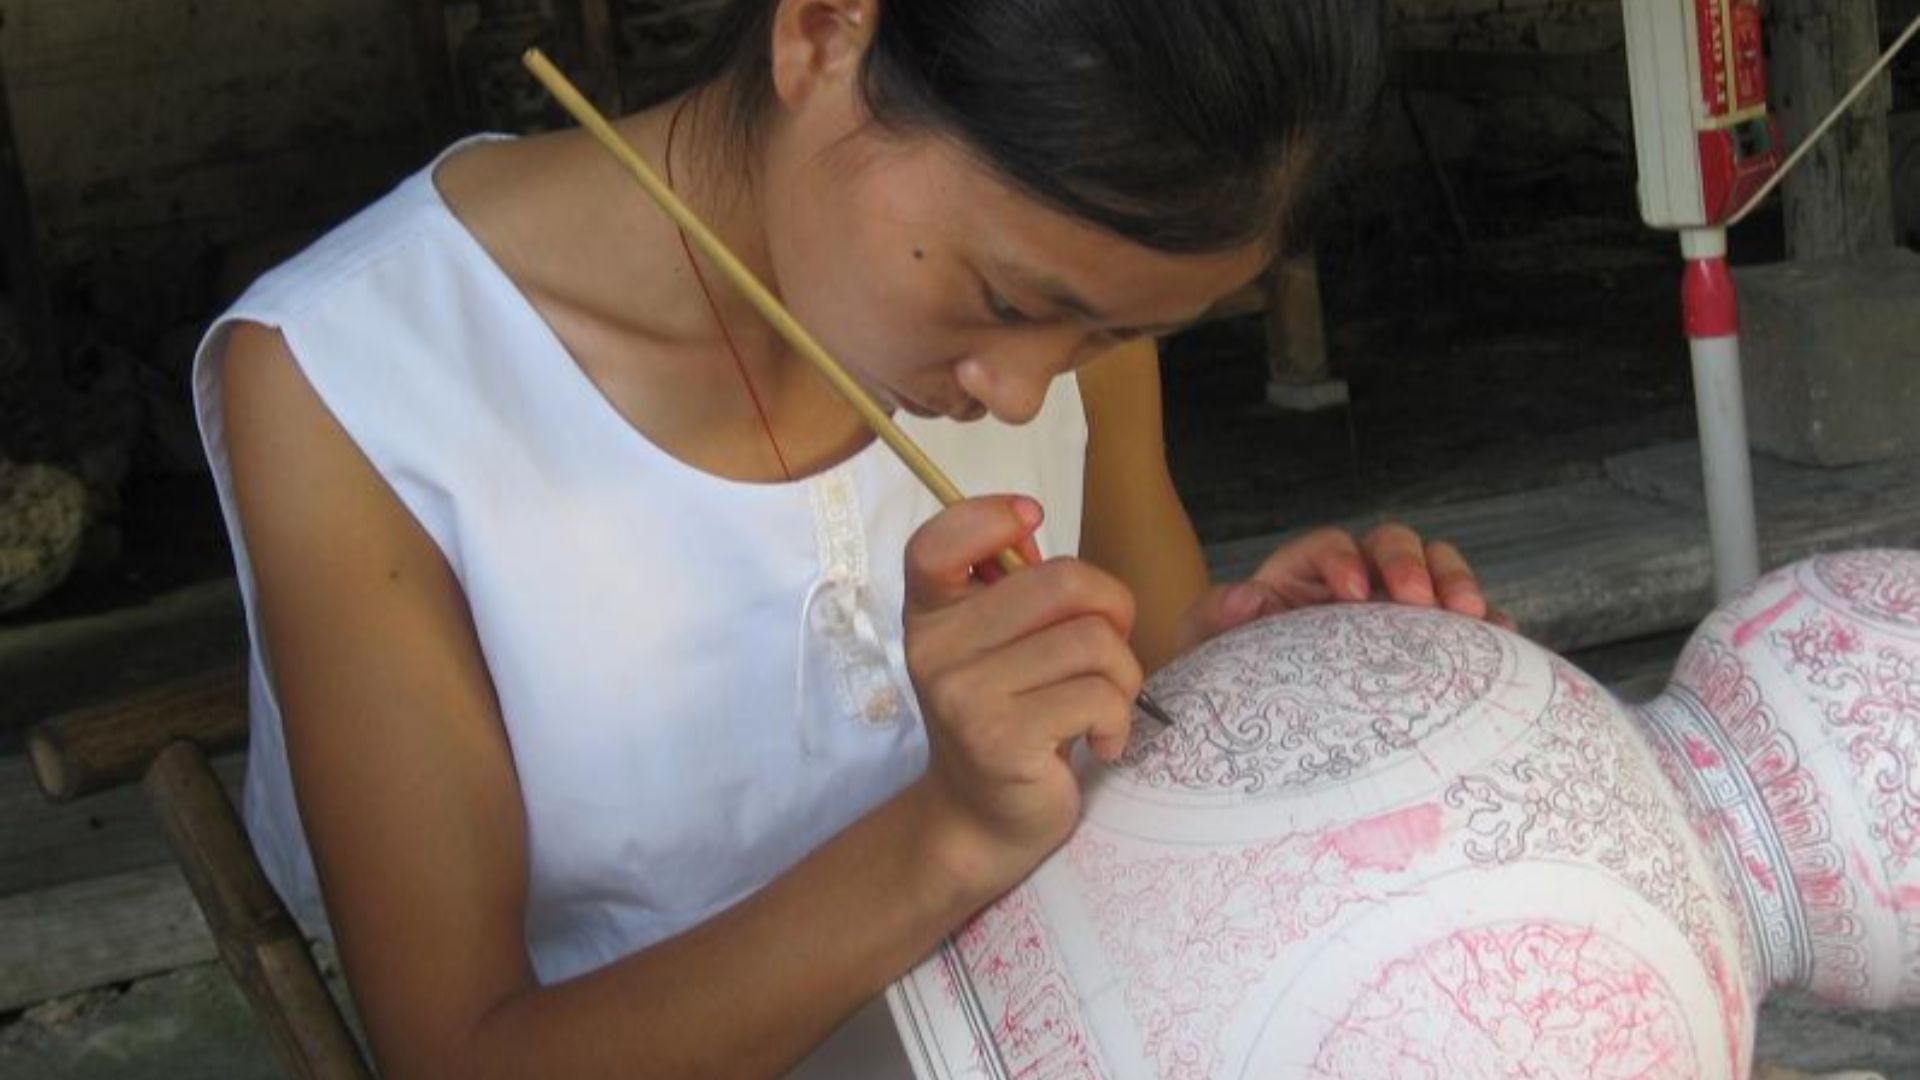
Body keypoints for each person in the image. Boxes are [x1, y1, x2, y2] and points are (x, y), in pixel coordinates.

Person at [193, 1, 1502, 1075]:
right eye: (1007, 300)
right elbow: (460, 1061)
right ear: (822, 33)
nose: (1022, 394)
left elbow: (1137, 733)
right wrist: (945, 838)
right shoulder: (351, 378)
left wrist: (1255, 684)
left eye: (1116, 334)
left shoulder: (1068, 305)